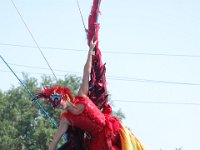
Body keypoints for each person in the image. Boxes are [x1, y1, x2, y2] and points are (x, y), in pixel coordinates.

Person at [36, 39, 146, 150]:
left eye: (56, 100)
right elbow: (55, 140)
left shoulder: (82, 96)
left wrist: (90, 52)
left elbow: (86, 71)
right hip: (98, 141)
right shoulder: (66, 119)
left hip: (110, 128)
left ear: (64, 96)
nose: (56, 105)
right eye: (54, 104)